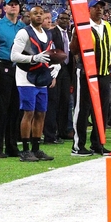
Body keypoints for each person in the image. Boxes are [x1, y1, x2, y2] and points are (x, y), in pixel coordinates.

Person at [10, 4, 60, 161]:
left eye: (41, 13)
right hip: (26, 76)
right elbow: (14, 56)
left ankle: (36, 148)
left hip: (41, 76)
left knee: (41, 113)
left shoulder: (48, 34)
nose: (38, 16)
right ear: (29, 16)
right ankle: (25, 150)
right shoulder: (23, 33)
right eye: (35, 13)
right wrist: (33, 58)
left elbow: (52, 53)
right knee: (29, 112)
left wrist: (56, 65)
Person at [70, 0, 111, 156]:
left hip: (103, 74)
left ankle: (98, 143)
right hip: (86, 73)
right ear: (88, 9)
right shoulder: (82, 26)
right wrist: (75, 35)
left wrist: (110, 63)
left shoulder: (108, 26)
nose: (99, 9)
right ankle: (78, 145)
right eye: (95, 7)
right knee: (83, 109)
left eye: (101, 7)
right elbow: (73, 50)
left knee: (103, 110)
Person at [0, 0, 26, 158]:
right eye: (11, 5)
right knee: (1, 110)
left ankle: (11, 146)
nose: (14, 7)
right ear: (5, 8)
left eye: (16, 5)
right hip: (3, 67)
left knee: (15, 110)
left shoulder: (22, 27)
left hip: (19, 69)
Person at [43, 11, 74, 145]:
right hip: (56, 68)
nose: (65, 21)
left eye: (67, 19)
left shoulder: (70, 34)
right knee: (54, 101)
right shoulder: (52, 33)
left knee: (65, 101)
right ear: (57, 20)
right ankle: (51, 132)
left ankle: (63, 131)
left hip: (67, 69)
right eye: (62, 18)